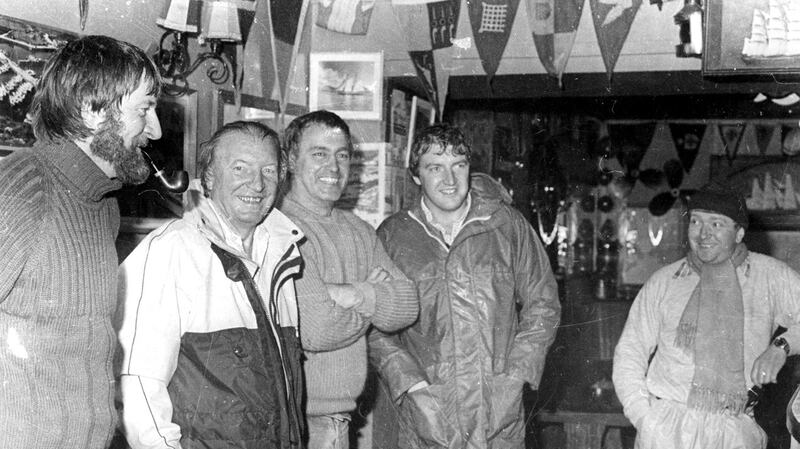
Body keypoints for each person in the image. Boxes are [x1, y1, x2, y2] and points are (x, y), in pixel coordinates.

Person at [0, 35, 162, 449]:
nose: (156, 129)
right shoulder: (25, 187)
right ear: (93, 108)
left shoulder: (103, 203)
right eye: (145, 108)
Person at [370, 123, 562, 448]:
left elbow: (543, 305)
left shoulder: (507, 225)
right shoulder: (393, 236)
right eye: (435, 168)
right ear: (416, 175)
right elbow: (373, 324)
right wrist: (413, 387)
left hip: (499, 416)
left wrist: (515, 378)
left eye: (458, 166)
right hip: (427, 417)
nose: (450, 180)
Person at [117, 121, 305, 449]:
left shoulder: (281, 256)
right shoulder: (172, 250)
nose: (257, 184)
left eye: (269, 170)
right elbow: (138, 389)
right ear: (210, 177)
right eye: (240, 168)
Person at [613, 183, 800, 449]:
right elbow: (629, 352)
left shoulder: (769, 276)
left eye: (716, 224)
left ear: (739, 233)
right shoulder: (665, 281)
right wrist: (644, 417)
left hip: (733, 429)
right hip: (667, 427)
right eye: (696, 221)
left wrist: (781, 347)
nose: (703, 234)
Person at [278, 110, 418, 449]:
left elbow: (407, 304)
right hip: (298, 422)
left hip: (341, 420)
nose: (334, 167)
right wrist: (373, 295)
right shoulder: (279, 227)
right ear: (291, 160)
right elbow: (317, 328)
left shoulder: (359, 230)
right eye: (320, 154)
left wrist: (349, 294)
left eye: (342, 155)